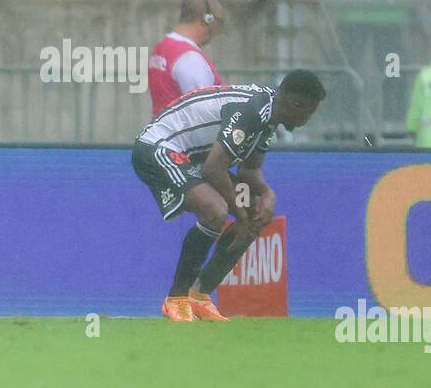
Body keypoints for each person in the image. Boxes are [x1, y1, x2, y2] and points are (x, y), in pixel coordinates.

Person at [133, 71, 326, 322]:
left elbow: (249, 170)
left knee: (257, 213)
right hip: (159, 147)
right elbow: (213, 169)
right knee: (215, 210)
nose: (308, 119)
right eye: (308, 112)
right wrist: (241, 215)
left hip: (192, 157)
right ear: (296, 104)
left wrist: (266, 194)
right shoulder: (252, 112)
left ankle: (199, 296)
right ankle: (176, 298)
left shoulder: (268, 119)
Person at [148, 0, 225, 116]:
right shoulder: (190, 58)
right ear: (207, 19)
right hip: (184, 135)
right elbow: (203, 114)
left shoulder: (161, 48)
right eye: (217, 23)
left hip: (162, 132)